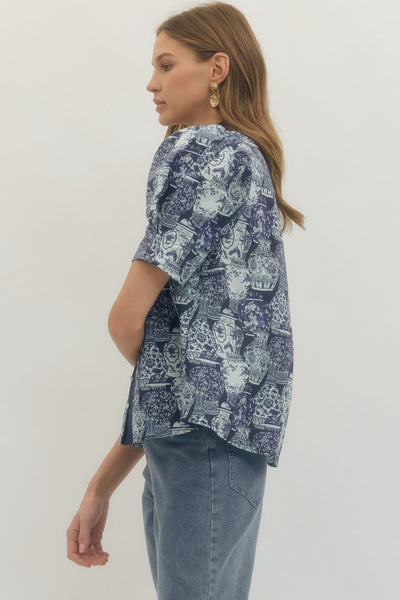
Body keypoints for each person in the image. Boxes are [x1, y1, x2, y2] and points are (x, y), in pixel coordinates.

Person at [66, 2, 305, 598]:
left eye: (166, 65)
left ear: (216, 68)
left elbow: (127, 322)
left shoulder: (207, 153)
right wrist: (102, 485)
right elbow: (176, 367)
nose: (151, 83)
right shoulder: (243, 160)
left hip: (199, 454)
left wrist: (103, 485)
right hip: (204, 449)